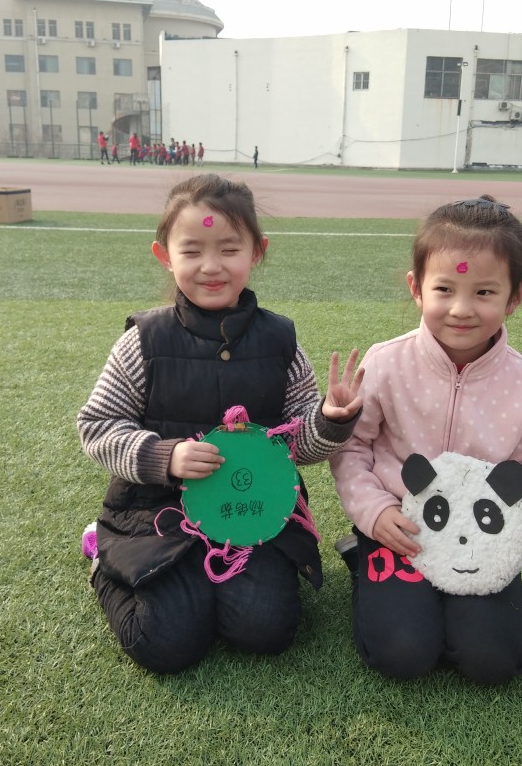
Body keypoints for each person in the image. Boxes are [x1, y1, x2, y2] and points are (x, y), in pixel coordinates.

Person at [330, 195, 522, 685]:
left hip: (481, 535)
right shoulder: (386, 364)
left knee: (493, 662)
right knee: (404, 654)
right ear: (416, 288)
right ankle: (362, 554)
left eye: (484, 292)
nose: (461, 309)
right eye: (444, 288)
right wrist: (374, 513)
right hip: (400, 530)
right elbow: (352, 448)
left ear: (514, 296)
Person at [78, 173, 364, 674]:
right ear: (165, 255)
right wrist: (165, 456)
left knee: (267, 630)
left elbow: (297, 446)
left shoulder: (280, 342)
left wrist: (329, 420)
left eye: (229, 249)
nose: (211, 266)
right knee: (164, 643)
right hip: (159, 512)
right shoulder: (143, 341)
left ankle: (208, 583)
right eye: (191, 251)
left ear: (257, 252)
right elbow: (98, 425)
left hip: (249, 512)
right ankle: (104, 557)